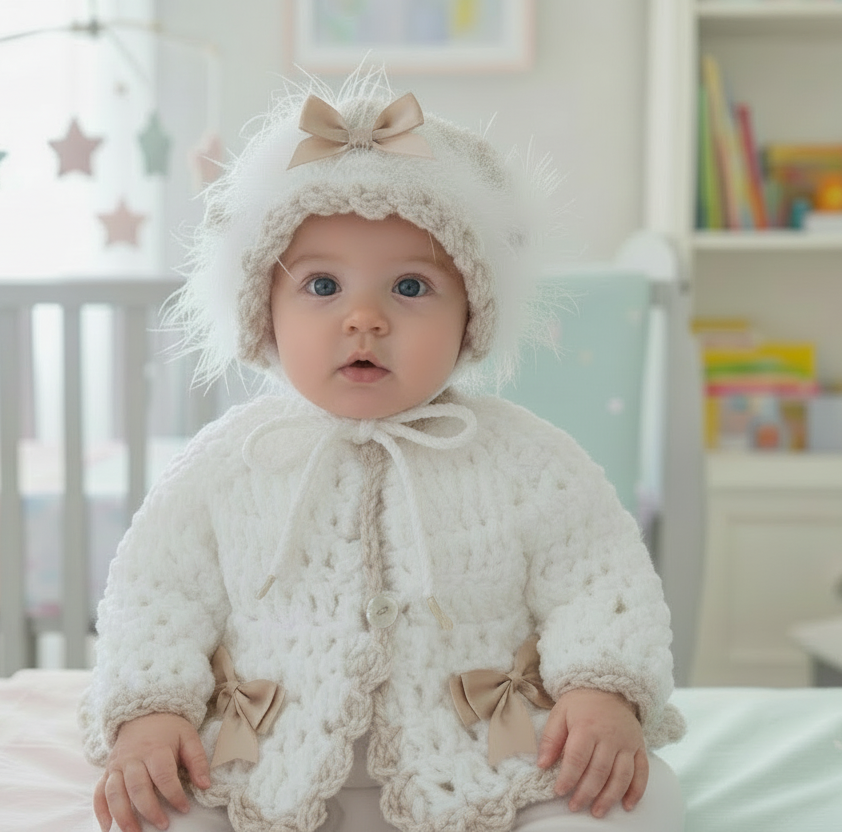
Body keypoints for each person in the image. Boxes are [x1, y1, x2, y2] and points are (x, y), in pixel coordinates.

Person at [79, 70, 686, 832]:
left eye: (410, 288)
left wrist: (602, 692)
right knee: (151, 811)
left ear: (472, 316)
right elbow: (154, 593)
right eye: (323, 285)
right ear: (263, 311)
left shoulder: (525, 459)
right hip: (264, 753)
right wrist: (151, 713)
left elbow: (599, 578)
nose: (363, 319)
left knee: (638, 800)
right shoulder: (229, 463)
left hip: (483, 748)